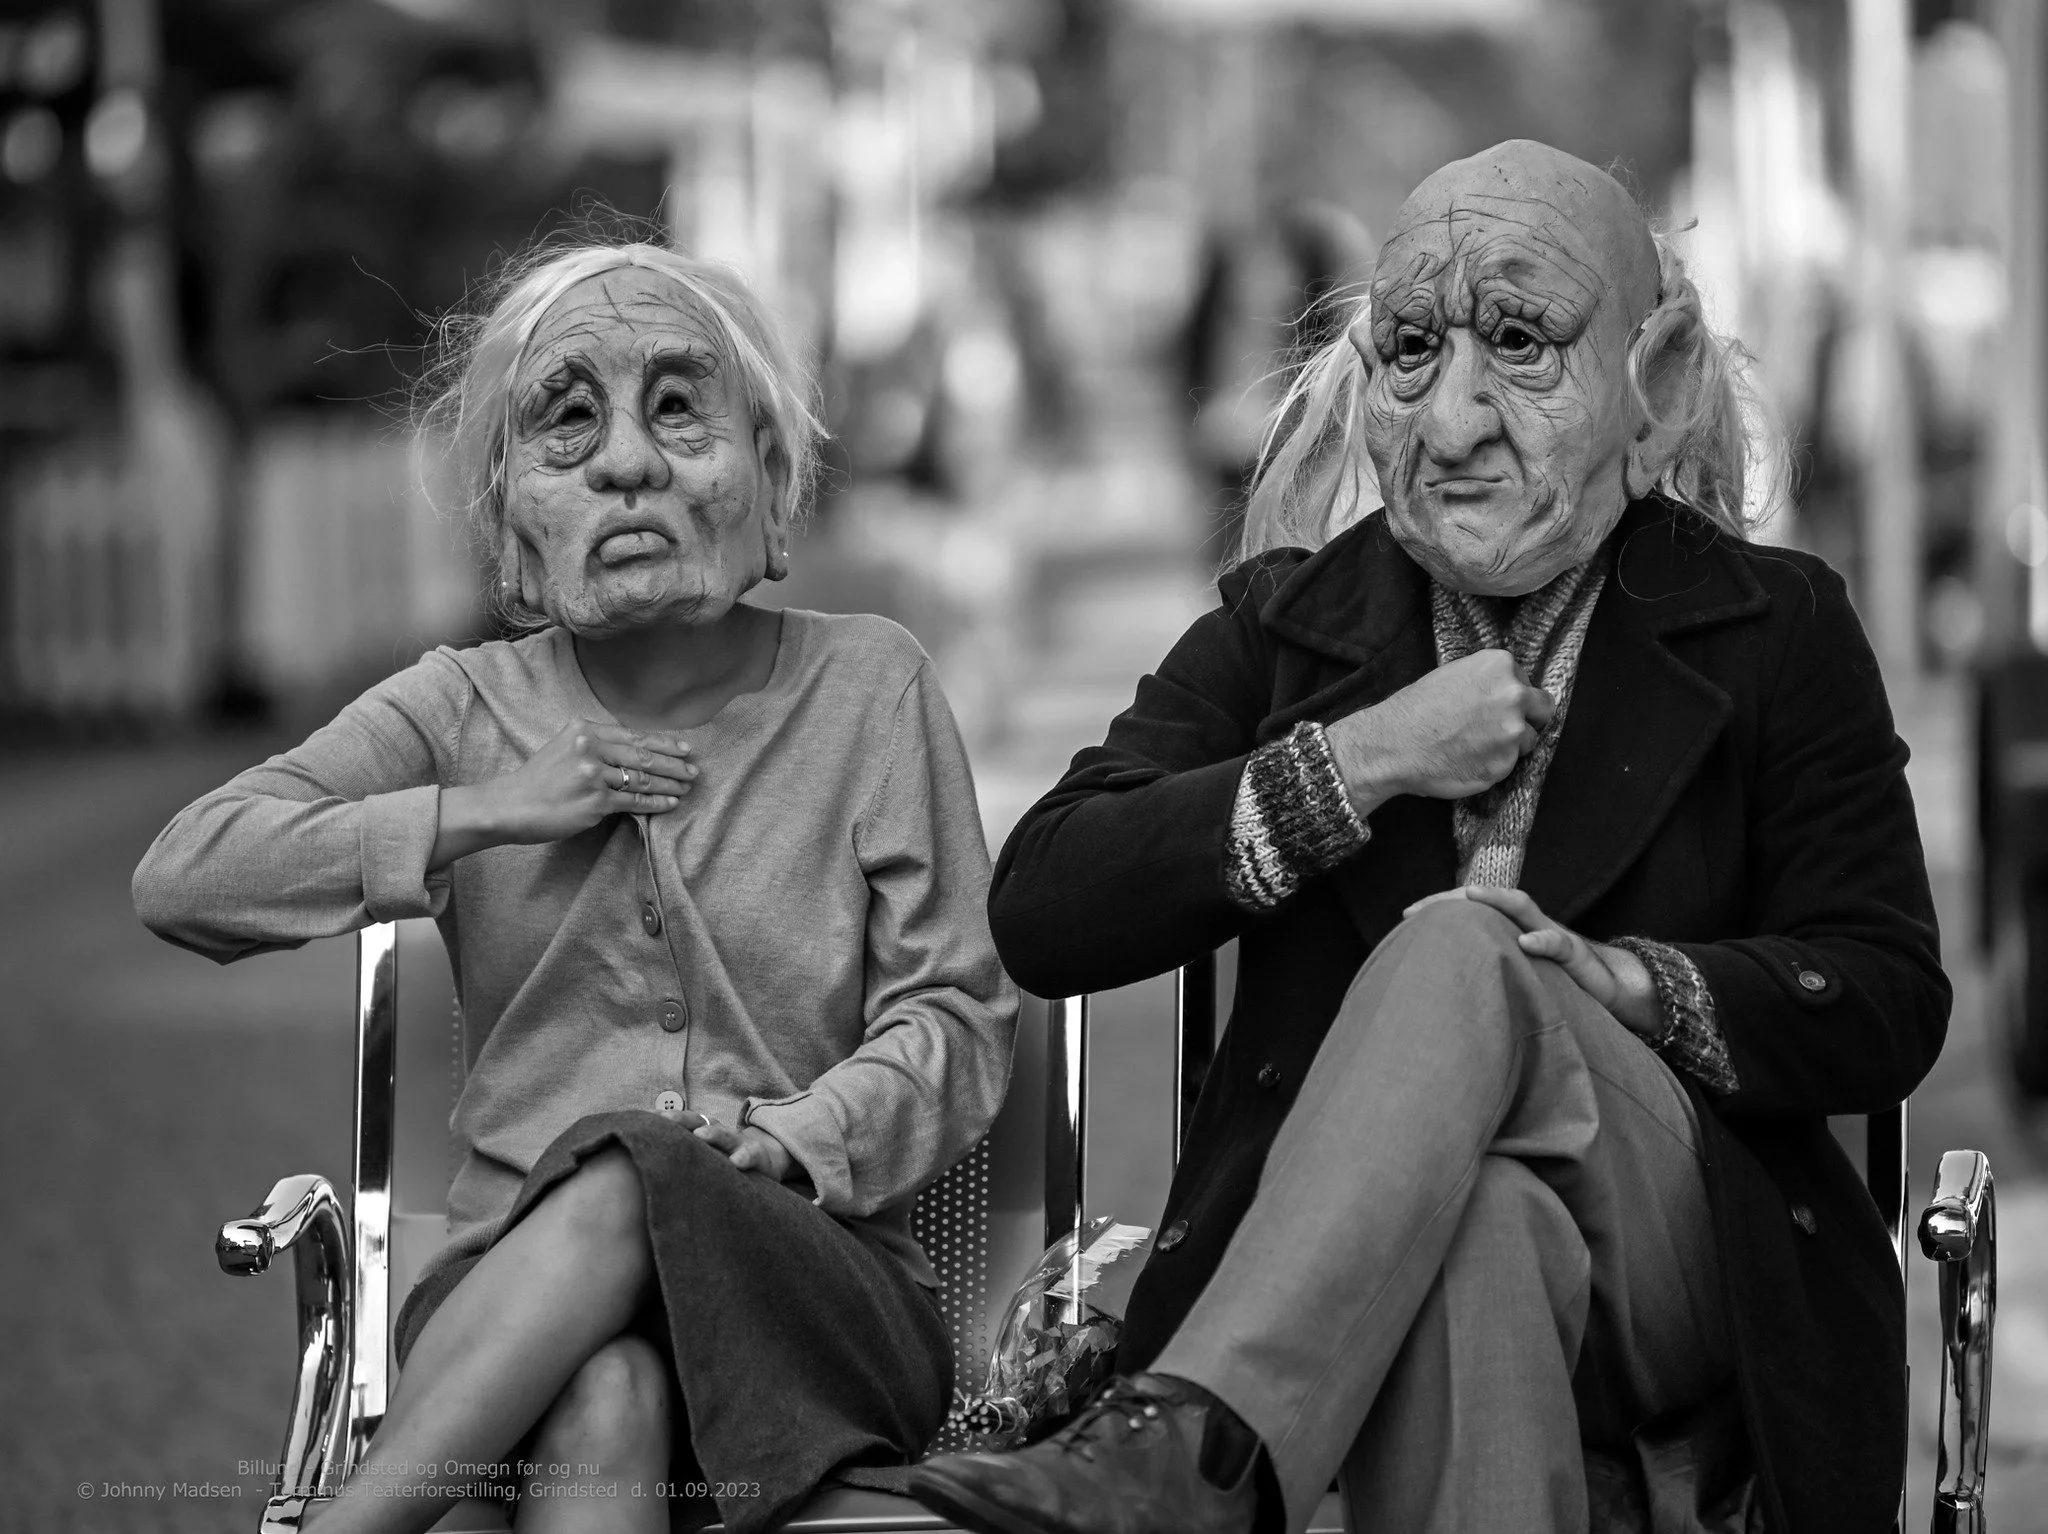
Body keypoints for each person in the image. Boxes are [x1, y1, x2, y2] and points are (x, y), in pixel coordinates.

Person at [909, 141, 1947, 1534]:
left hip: (1682, 1262)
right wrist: (1364, 757)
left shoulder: (1780, 628)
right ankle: (1226, 1440)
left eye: (1518, 342)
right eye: (1409, 349)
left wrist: (1622, 986)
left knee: (1468, 948)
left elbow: (1884, 991)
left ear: (1661, 382)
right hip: (1401, 1283)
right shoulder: (1285, 629)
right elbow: (1044, 902)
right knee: (1484, 1227)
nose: (1450, 420)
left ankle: (1198, 1447)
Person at [133, 240, 1017, 1534]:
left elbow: (956, 1017)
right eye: (569, 420)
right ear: (507, 524)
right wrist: (485, 808)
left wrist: (793, 1134)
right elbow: (187, 872)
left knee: (633, 1166)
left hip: (812, 1289)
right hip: (510, 1306)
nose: (625, 461)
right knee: (606, 1388)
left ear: (770, 480)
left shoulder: (870, 687)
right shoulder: (462, 709)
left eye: (675, 406)